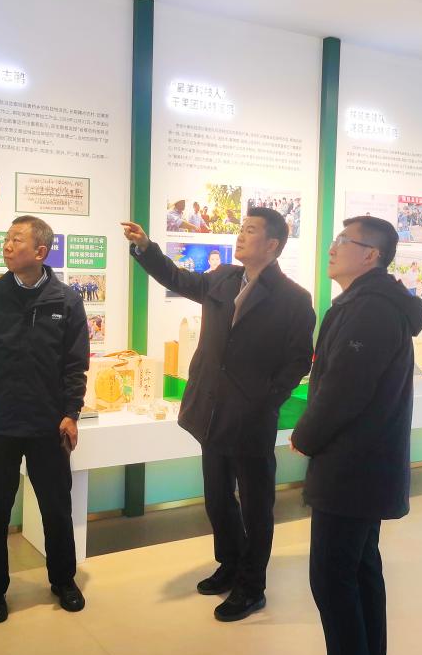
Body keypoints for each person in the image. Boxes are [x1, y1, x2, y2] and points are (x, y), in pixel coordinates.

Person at [122, 207, 315, 622]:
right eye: (240, 229)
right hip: (211, 410)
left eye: (250, 231)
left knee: (256, 506)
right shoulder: (223, 278)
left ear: (273, 244)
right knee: (217, 497)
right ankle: (229, 563)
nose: (240, 236)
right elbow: (177, 278)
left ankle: (252, 586)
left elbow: (299, 359)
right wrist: (146, 248)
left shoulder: (294, 298)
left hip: (251, 415)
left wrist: (266, 399)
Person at [290, 216, 422, 655]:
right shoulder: (368, 302)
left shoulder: (370, 309)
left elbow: (344, 390)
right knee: (359, 569)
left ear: (370, 255)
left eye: (343, 241)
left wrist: (306, 435)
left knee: (333, 578)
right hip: (363, 463)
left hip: (352, 466)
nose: (332, 247)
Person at [0, 215, 90, 624]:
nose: (7, 246)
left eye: (17, 240)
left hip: (49, 425)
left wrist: (71, 413)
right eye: (7, 239)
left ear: (40, 252)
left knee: (56, 507)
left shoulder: (66, 301)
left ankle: (63, 580)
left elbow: (76, 364)